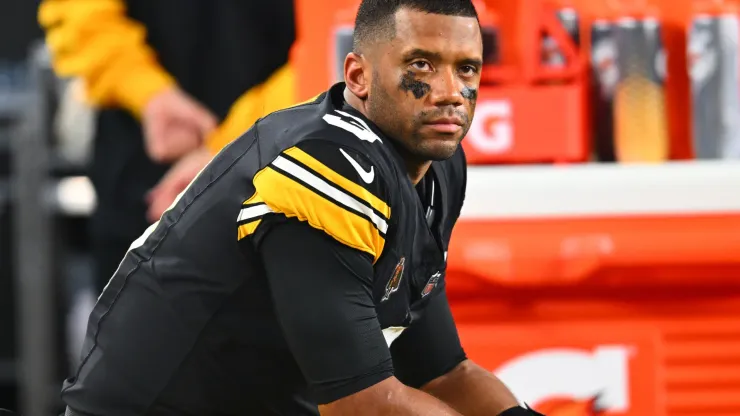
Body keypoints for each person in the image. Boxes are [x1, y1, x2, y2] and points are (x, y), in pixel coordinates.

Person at [61, 0, 544, 415]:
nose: (450, 93)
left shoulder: (435, 164)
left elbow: (443, 371)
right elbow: (362, 403)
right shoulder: (327, 165)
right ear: (357, 75)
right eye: (420, 65)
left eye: (467, 69)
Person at [38, 0, 296, 295]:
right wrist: (148, 92)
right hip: (148, 196)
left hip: (283, 199)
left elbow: (336, 35)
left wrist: (230, 145)